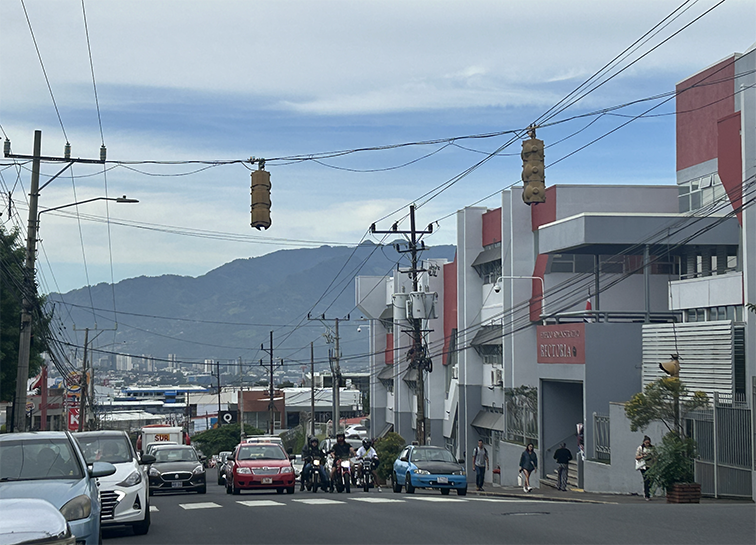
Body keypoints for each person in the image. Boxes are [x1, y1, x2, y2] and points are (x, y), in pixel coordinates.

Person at [635, 436, 653, 501]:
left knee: (650, 480)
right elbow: (636, 457)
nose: (647, 444)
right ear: (644, 442)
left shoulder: (652, 448)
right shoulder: (640, 448)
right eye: (646, 443)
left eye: (648, 443)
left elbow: (655, 456)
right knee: (646, 479)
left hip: (650, 465)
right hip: (643, 466)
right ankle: (647, 495)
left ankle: (648, 491)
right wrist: (643, 456)